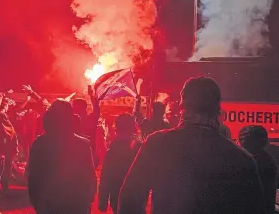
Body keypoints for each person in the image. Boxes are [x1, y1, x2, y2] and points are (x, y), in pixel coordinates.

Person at [118, 76, 265, 214]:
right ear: (218, 108)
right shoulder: (242, 159)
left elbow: (130, 199)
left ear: (182, 104)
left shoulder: (156, 144)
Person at [27, 100, 96, 214]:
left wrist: (36, 201)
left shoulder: (39, 143)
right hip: (76, 202)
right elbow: (90, 177)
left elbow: (33, 178)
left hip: (48, 203)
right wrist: (88, 200)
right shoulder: (82, 144)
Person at [98, 113, 141, 214]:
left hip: (117, 194)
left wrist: (103, 200)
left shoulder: (113, 149)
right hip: (136, 195)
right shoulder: (140, 147)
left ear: (116, 128)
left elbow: (106, 176)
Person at [239, 125, 278, 214]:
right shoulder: (264, 159)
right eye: (241, 138)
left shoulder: (259, 161)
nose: (242, 142)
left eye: (246, 138)